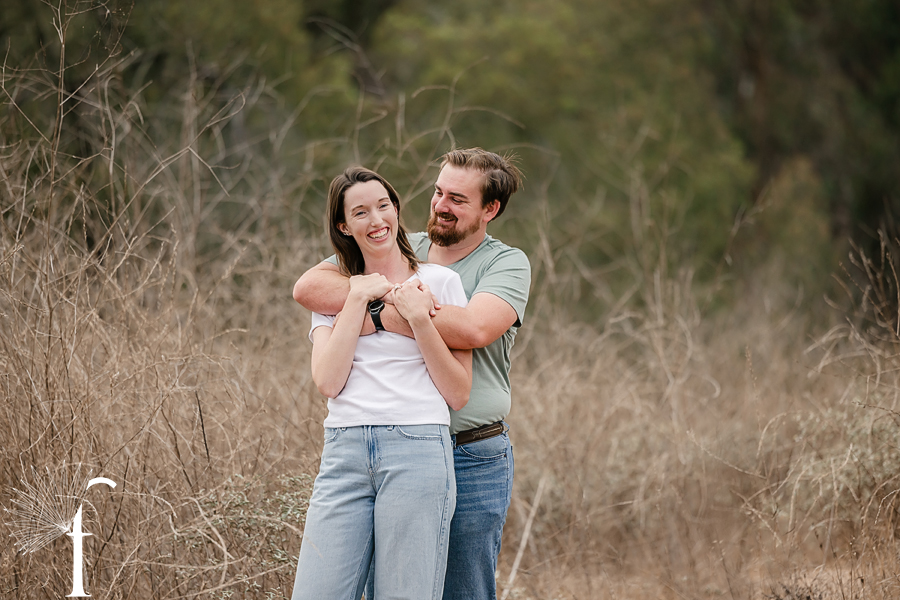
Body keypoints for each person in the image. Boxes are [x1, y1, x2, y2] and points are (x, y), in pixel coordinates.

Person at [293, 148, 530, 600]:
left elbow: (475, 329)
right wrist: (382, 303)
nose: (440, 204)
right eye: (439, 192)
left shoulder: (505, 263)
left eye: (457, 199)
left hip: (471, 449)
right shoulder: (398, 244)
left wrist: (389, 314)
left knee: (461, 590)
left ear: (490, 209)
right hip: (368, 440)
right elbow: (310, 287)